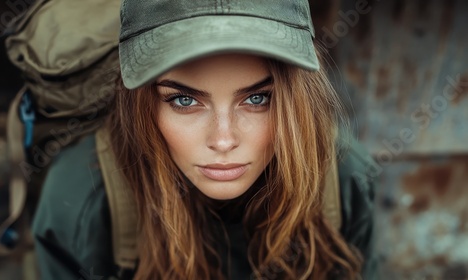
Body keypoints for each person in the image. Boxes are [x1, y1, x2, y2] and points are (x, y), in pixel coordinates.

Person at [32, 0, 377, 279]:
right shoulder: (83, 199)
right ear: (140, 104)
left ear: (294, 99)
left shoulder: (341, 178)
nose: (223, 140)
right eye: (184, 100)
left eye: (257, 99)